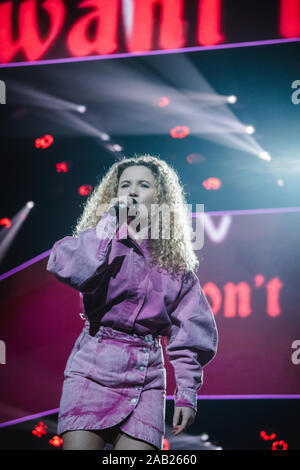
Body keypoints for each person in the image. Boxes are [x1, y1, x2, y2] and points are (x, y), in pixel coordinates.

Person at [46, 154, 218, 450]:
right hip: (92, 366)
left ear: (160, 197)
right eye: (125, 184)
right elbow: (66, 266)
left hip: (146, 376)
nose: (132, 191)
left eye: (143, 184)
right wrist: (108, 225)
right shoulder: (100, 240)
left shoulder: (175, 263)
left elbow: (191, 331)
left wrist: (187, 392)